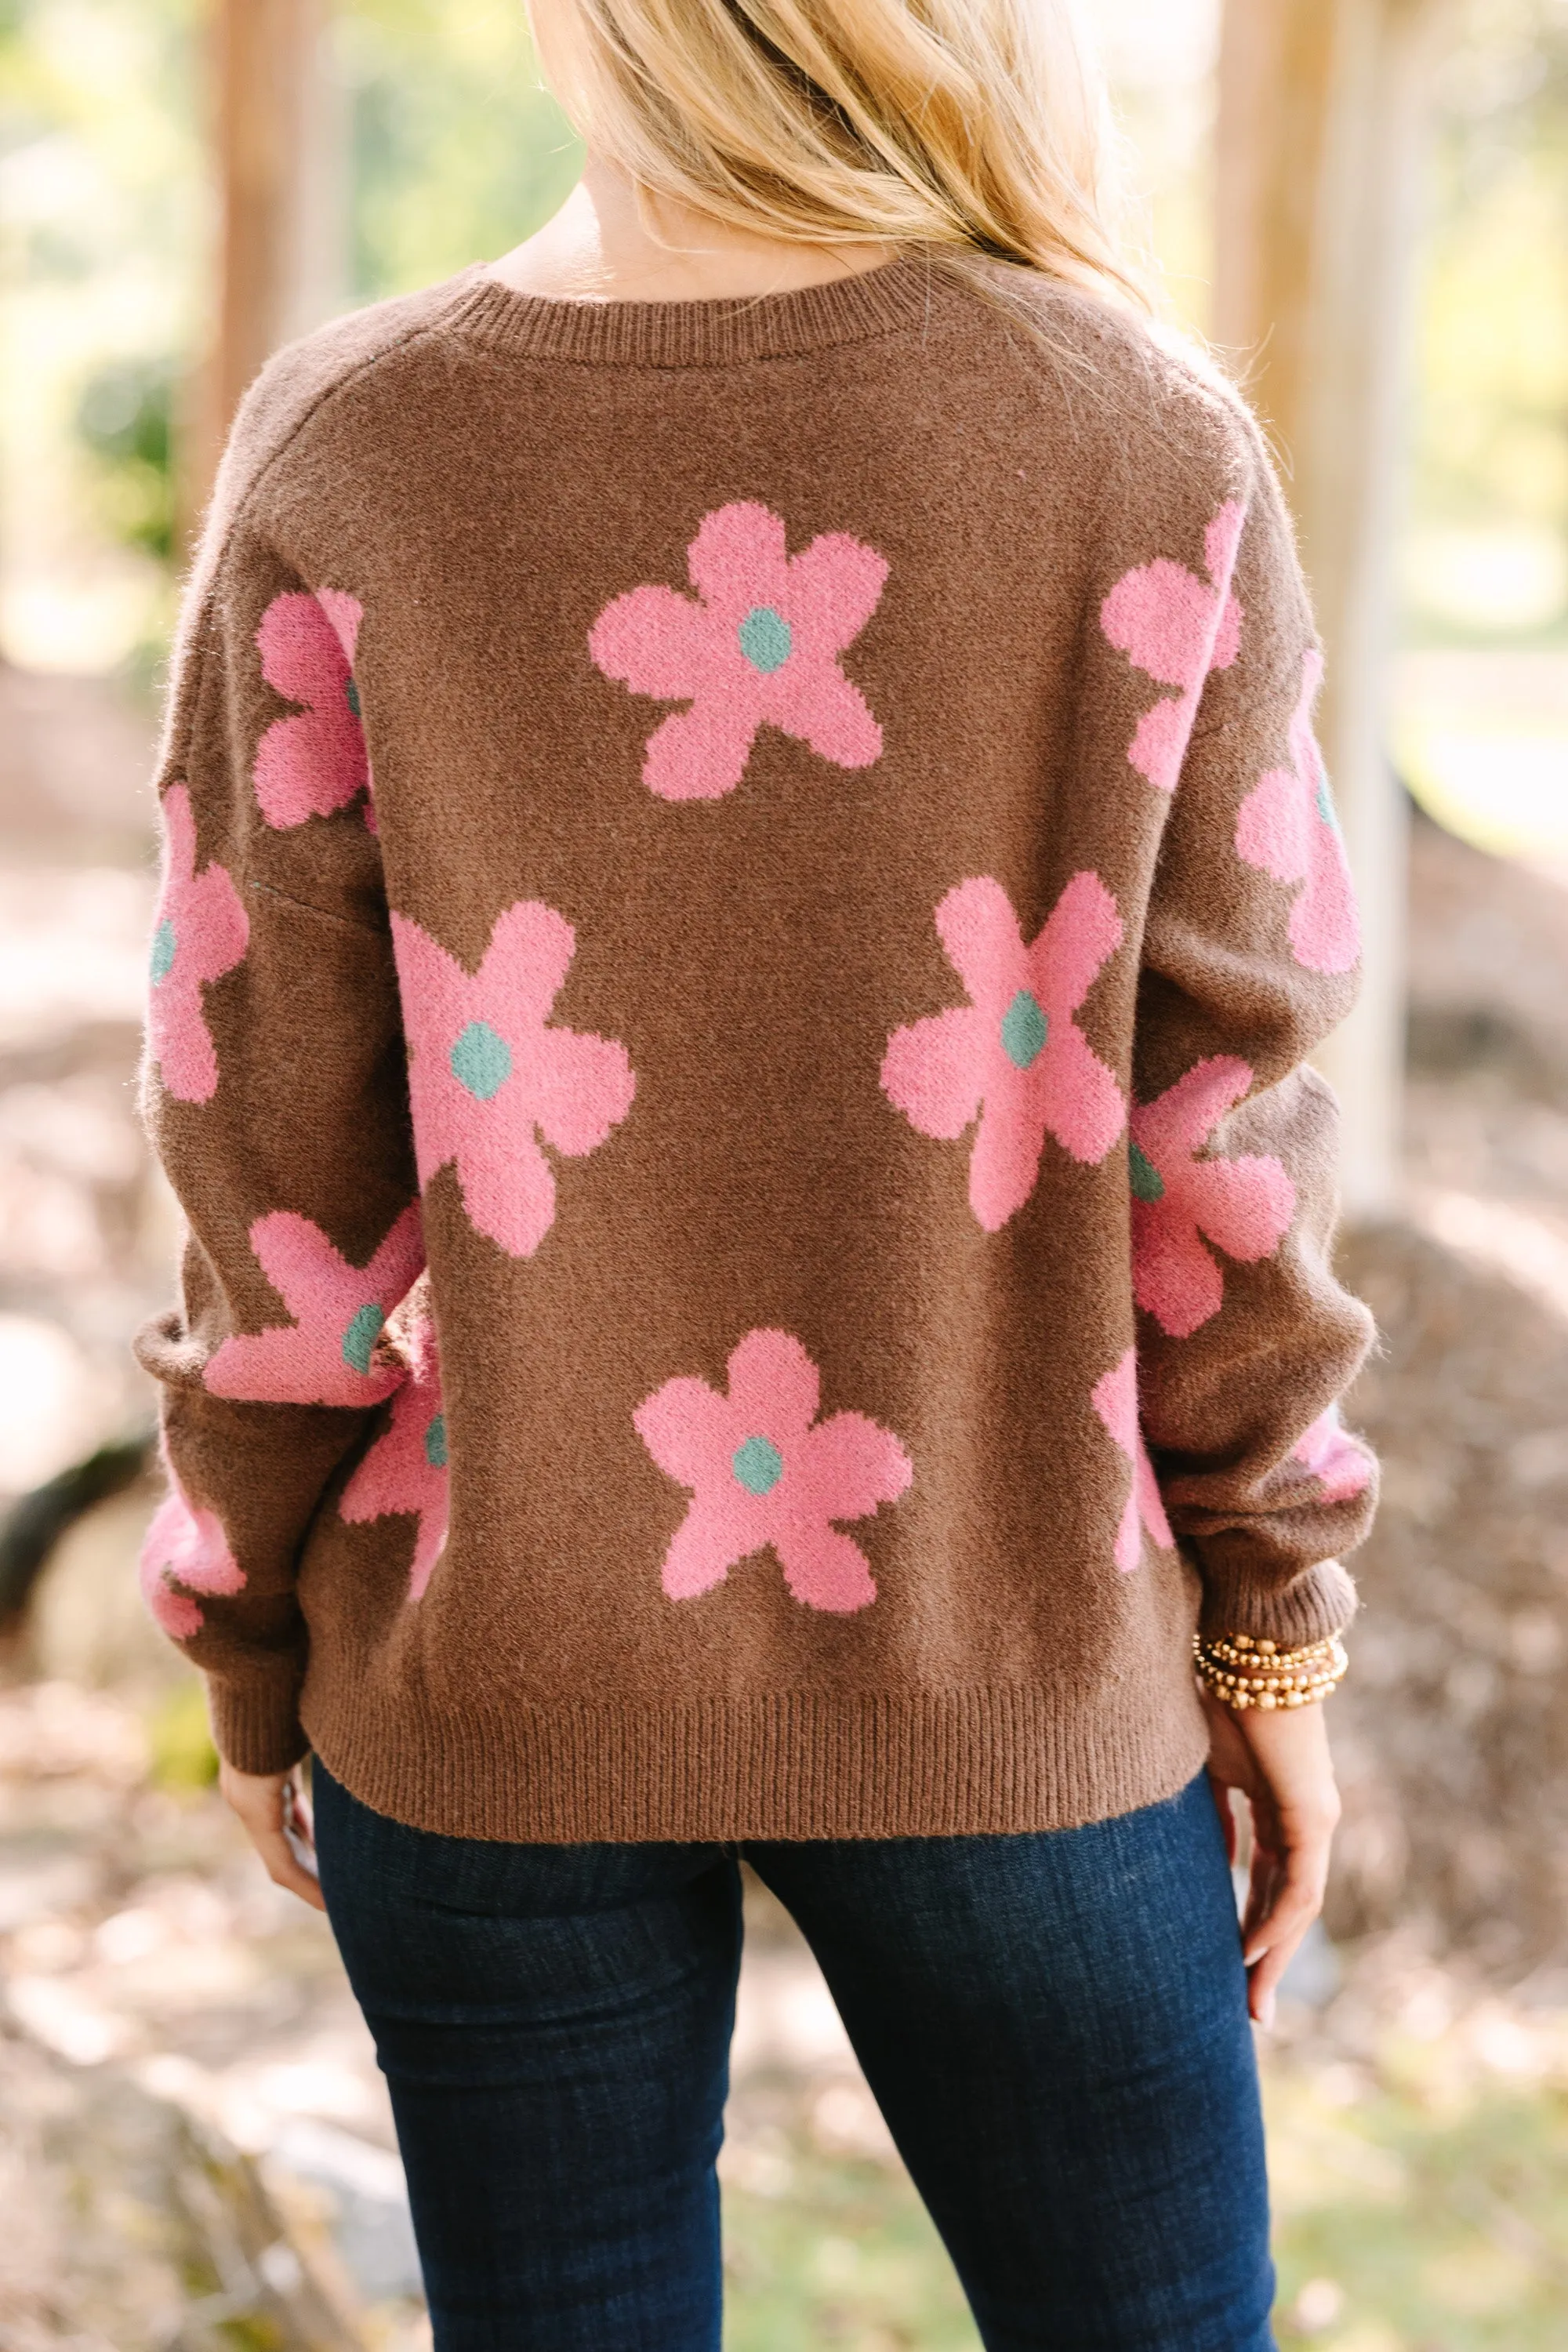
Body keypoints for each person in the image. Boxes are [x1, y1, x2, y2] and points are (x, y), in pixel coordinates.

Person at [136, 2, 1378, 2344]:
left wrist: (248, 1615)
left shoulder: (352, 445)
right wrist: (1263, 1608)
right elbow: (1227, 1132)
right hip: (1012, 1662)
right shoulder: (1139, 441)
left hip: (489, 1668)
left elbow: (263, 1152)